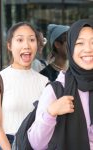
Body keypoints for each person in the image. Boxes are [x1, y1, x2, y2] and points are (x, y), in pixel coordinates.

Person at [27, 19, 93, 150]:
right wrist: (51, 112)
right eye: (79, 43)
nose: (88, 49)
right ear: (70, 48)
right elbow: (37, 144)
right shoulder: (56, 90)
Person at [0, 22, 49, 150]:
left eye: (32, 40)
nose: (26, 45)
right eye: (20, 40)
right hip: (5, 143)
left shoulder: (45, 82)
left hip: (35, 143)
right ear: (9, 45)